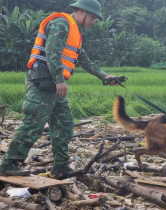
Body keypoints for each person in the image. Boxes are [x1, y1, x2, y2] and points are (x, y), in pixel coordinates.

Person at [0, 0, 118, 177]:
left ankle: (60, 167)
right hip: (42, 83)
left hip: (54, 86)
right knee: (33, 123)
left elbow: (83, 59)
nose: (93, 21)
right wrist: (59, 80)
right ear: (81, 11)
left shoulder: (75, 32)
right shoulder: (61, 24)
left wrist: (105, 76)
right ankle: (8, 164)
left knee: (64, 122)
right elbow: (52, 52)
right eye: (92, 17)